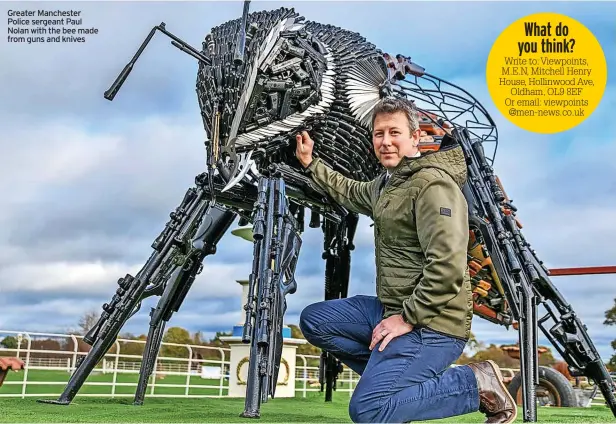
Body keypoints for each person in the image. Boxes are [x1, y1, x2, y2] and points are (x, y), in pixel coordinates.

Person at [295, 97, 517, 423]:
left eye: (394, 133)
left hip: (434, 324)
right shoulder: (387, 184)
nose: (385, 142)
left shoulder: (433, 186)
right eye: (378, 134)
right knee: (315, 321)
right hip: (393, 309)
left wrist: (407, 319)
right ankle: (398, 386)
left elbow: (447, 268)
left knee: (368, 411)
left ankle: (475, 383)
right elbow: (350, 190)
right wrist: (310, 163)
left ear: (414, 138)